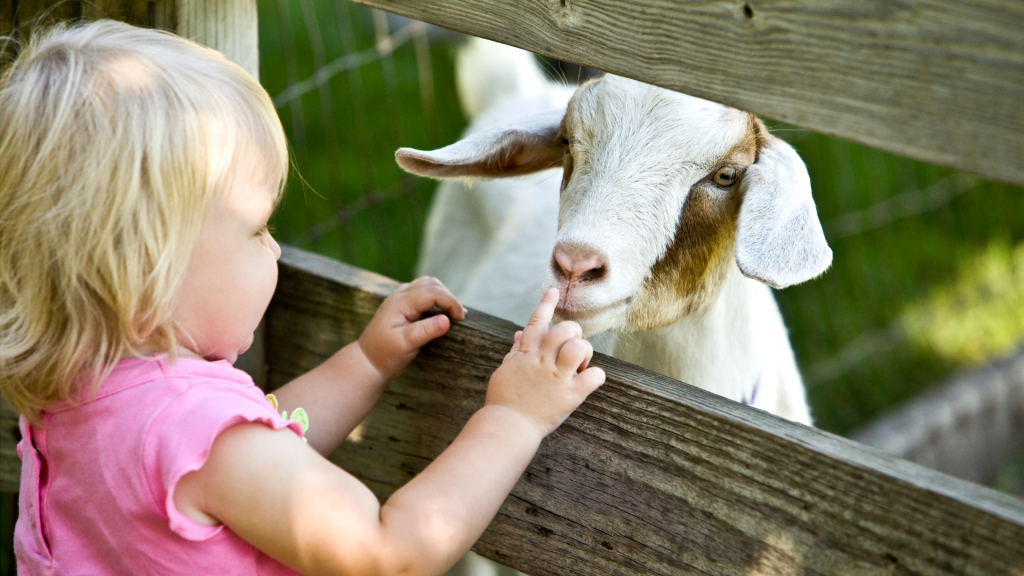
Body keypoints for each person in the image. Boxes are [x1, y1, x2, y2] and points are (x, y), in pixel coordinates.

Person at [0, 20, 605, 575]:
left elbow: (261, 453)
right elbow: (387, 552)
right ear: (145, 271)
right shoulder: (199, 439)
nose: (276, 250)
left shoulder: (82, 399)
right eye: (258, 227)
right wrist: (513, 418)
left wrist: (363, 364)